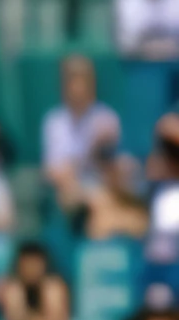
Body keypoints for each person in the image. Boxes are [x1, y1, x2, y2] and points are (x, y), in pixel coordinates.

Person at [41, 55, 123, 209]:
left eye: (83, 81)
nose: (78, 88)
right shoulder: (54, 121)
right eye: (72, 81)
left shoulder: (107, 118)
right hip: (69, 191)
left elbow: (112, 167)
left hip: (102, 186)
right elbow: (52, 171)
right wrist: (88, 153)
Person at [0, 242, 71, 320]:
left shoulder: (54, 287)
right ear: (19, 266)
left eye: (35, 264)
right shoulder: (13, 289)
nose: (31, 269)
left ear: (44, 265)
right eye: (27, 264)